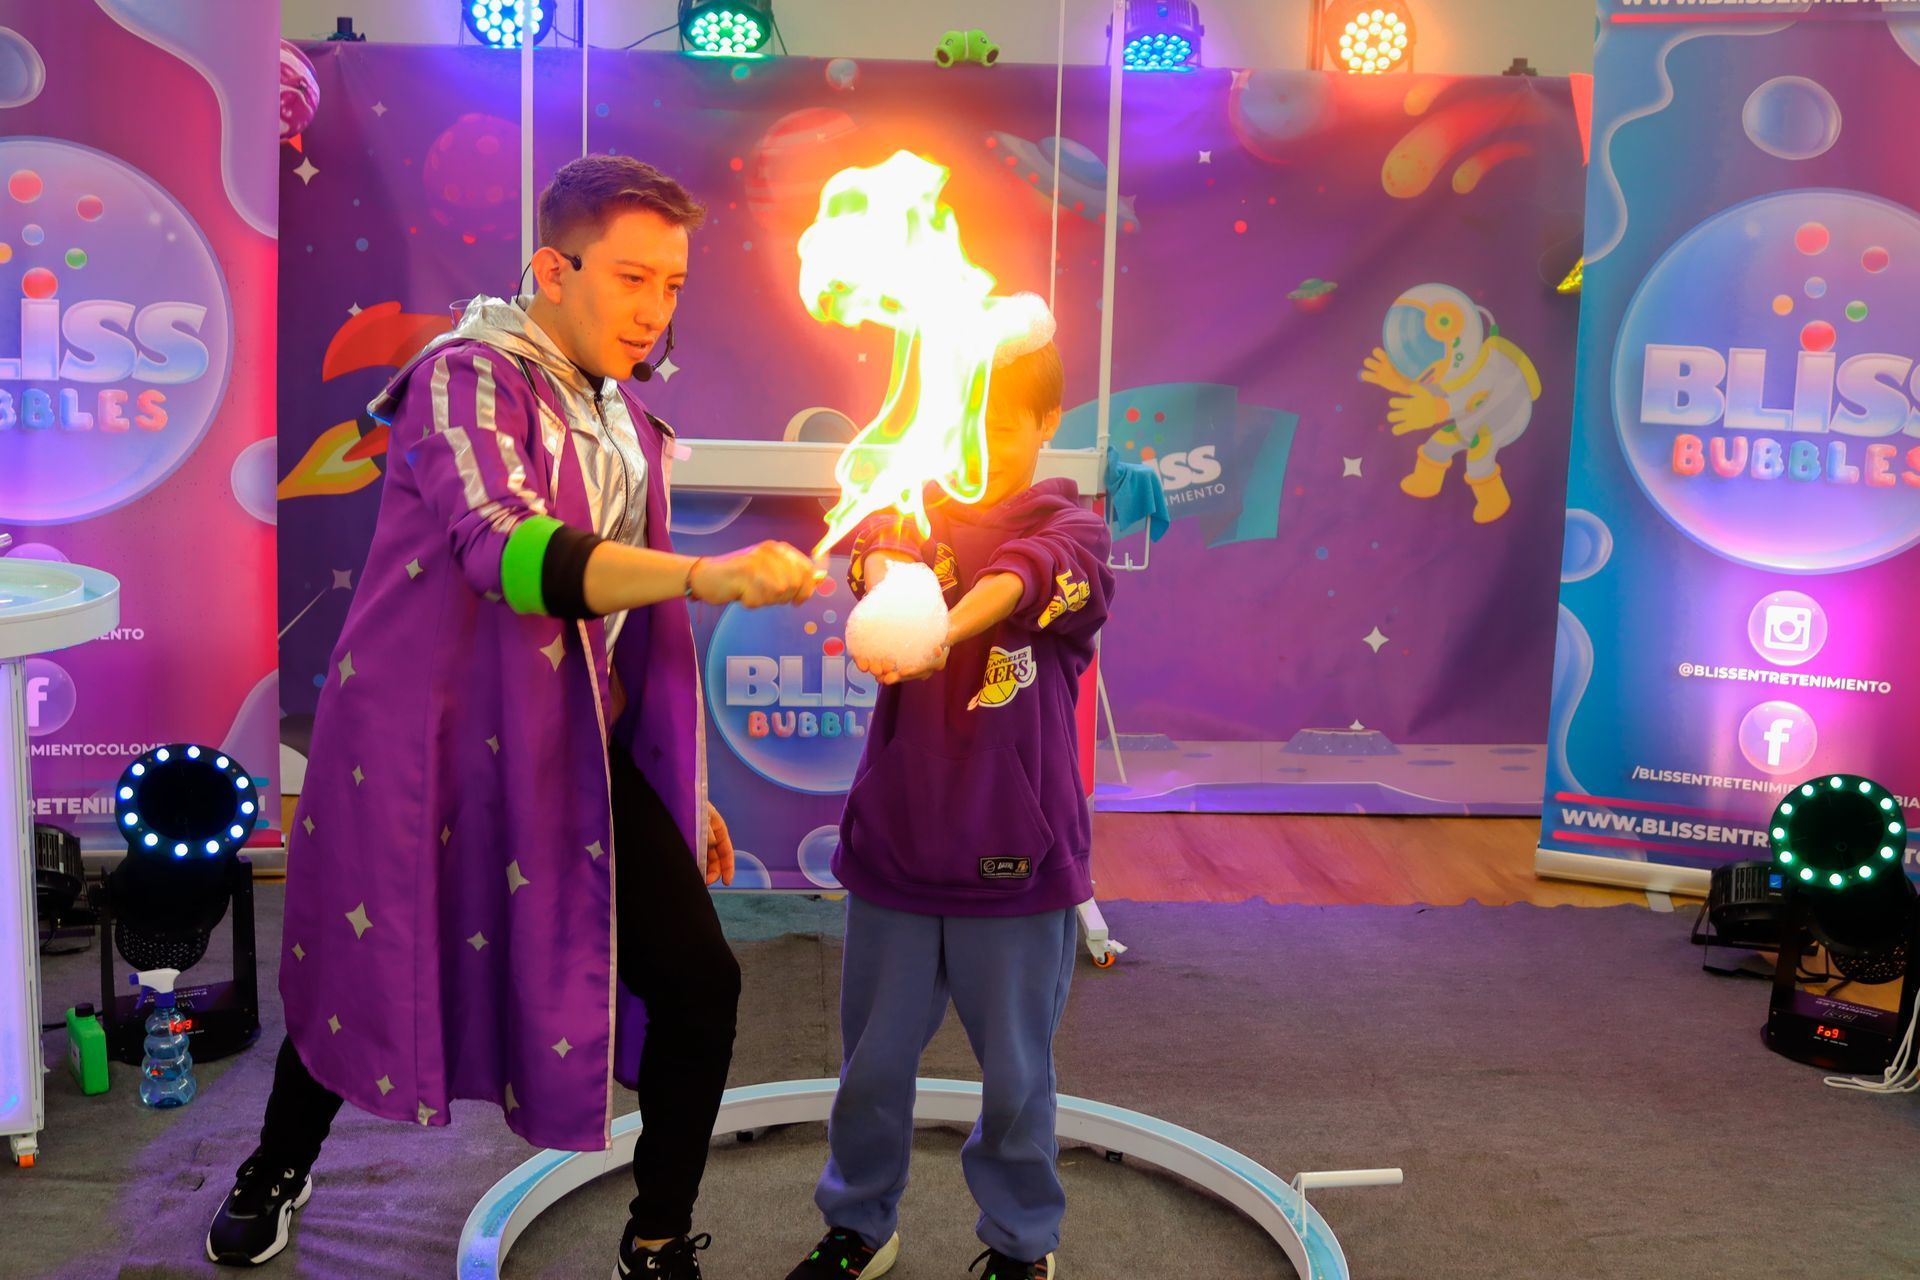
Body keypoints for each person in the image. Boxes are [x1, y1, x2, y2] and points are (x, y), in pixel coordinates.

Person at [206, 155, 816, 1280]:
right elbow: (506, 549)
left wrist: (687, 786)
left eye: (675, 285)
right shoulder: (465, 377)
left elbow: (623, 639)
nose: (655, 309)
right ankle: (276, 1162)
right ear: (552, 266)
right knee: (366, 956)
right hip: (424, 744)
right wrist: (699, 573)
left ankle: (658, 1233)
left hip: (570, 742)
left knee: (700, 977)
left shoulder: (626, 413)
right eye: (634, 277)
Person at [784, 321, 1114, 1280]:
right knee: (872, 1072)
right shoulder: (907, 513)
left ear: (1047, 421)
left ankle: (1020, 1246)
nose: (974, 442)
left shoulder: (1074, 528)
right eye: (958, 418)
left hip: (1017, 862)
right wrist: (894, 583)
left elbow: (1033, 580)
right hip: (896, 852)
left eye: (999, 422)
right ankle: (859, 1225)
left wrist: (940, 626)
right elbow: (875, 555)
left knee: (1016, 1080)